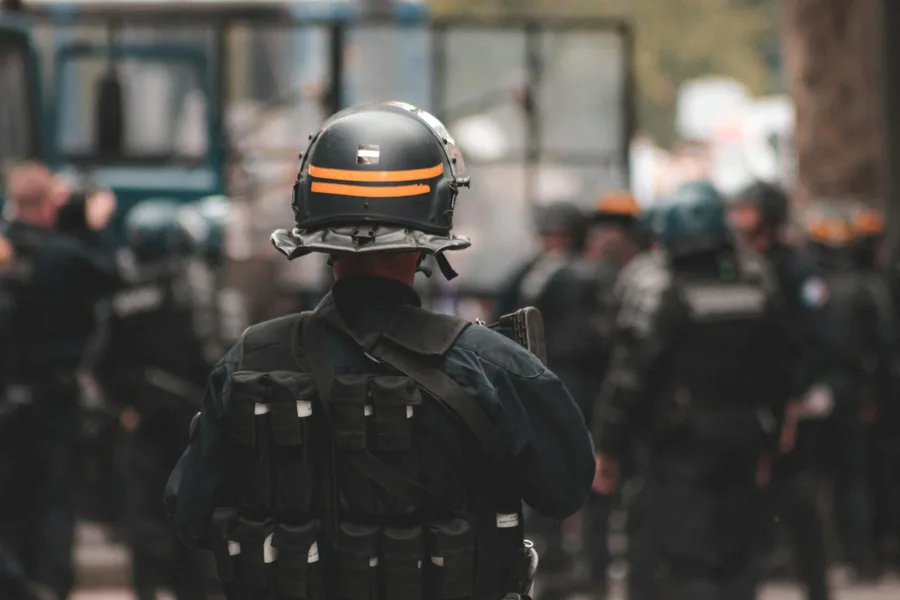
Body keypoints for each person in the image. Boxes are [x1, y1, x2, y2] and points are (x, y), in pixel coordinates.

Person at [165, 101, 595, 600]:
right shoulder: (489, 364)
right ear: (434, 223)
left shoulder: (248, 361)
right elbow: (564, 489)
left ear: (310, 217)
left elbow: (190, 513)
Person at [594, 180, 792, 600]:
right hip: (743, 439)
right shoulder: (757, 284)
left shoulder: (658, 287)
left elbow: (629, 379)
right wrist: (769, 442)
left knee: (682, 560)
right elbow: (778, 372)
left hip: (679, 449)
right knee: (739, 558)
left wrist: (608, 448)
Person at [0, 161, 120, 599]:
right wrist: (95, 225)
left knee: (10, 504)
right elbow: (112, 275)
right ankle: (48, 586)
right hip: (55, 398)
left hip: (9, 400)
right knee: (54, 500)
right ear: (50, 204)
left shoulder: (7, 250)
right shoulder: (65, 255)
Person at [98, 199, 221, 600]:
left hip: (145, 421)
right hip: (193, 418)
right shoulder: (193, 283)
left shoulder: (120, 292)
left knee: (147, 514)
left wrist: (125, 406)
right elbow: (214, 353)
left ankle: (149, 589)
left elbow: (101, 364)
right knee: (199, 508)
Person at [729, 181, 834, 600]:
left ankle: (817, 586)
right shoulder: (737, 264)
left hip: (792, 405)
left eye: (748, 211)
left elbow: (815, 338)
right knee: (747, 509)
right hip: (749, 404)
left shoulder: (797, 269)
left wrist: (794, 399)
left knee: (798, 504)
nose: (740, 219)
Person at [493, 201, 595, 579]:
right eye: (548, 236)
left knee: (580, 467)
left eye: (560, 236)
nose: (553, 243)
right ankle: (549, 557)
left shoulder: (579, 274)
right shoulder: (536, 273)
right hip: (539, 377)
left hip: (577, 382)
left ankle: (580, 560)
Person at [576, 190, 643, 598]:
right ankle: (597, 576)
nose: (605, 236)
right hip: (602, 396)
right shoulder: (591, 278)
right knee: (599, 489)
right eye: (601, 227)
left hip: (632, 401)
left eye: (614, 228)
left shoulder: (645, 277)